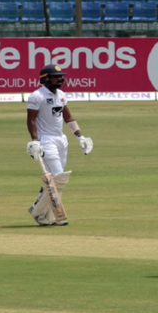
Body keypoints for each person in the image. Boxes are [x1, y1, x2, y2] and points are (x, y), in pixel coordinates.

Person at [26, 64, 93, 226]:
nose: (60, 79)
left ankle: (49, 215)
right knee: (58, 177)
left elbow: (68, 118)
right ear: (46, 78)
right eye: (56, 76)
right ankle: (38, 210)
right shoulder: (37, 96)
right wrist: (35, 140)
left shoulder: (62, 95)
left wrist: (80, 136)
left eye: (61, 76)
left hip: (61, 139)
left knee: (55, 179)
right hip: (46, 139)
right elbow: (31, 120)